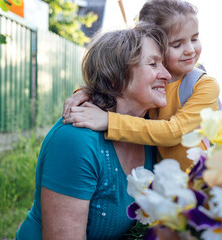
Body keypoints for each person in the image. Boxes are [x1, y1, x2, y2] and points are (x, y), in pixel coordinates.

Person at [15, 23, 170, 240]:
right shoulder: (76, 139)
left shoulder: (152, 131)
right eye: (153, 64)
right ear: (116, 77)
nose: (166, 74)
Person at [62, 0, 221, 171]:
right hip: (167, 185)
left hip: (203, 184)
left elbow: (173, 132)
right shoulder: (151, 82)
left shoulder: (204, 86)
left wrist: (109, 122)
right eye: (177, 44)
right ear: (155, 44)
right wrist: (87, 92)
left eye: (195, 38)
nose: (190, 49)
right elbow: (119, 83)